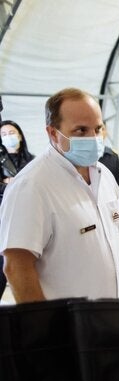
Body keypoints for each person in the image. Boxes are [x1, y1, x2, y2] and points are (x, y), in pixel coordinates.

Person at [0, 87, 119, 302]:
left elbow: (118, 257)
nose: (93, 138)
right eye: (80, 130)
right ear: (53, 133)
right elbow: (16, 266)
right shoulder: (32, 186)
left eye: (98, 129)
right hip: (67, 329)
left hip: (115, 322)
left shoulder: (104, 175)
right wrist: (43, 327)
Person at [0, 119, 35, 299]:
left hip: (27, 220)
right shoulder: (1, 162)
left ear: (20, 135)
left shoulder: (33, 161)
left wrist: (10, 183)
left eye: (12, 133)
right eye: (4, 135)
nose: (9, 138)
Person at [97, 123, 119, 196]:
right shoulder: (84, 156)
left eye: (102, 129)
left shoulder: (113, 156)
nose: (100, 132)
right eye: (97, 130)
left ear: (106, 132)